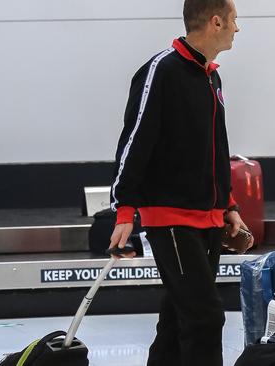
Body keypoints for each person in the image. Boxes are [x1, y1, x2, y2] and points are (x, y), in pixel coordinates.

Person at [107, 0, 251, 365]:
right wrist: (124, 208)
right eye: (234, 21)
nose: (238, 28)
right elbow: (135, 140)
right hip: (171, 218)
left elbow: (216, 148)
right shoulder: (161, 71)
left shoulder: (211, 76)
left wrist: (229, 206)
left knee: (176, 320)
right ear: (216, 21)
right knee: (205, 316)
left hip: (208, 217)